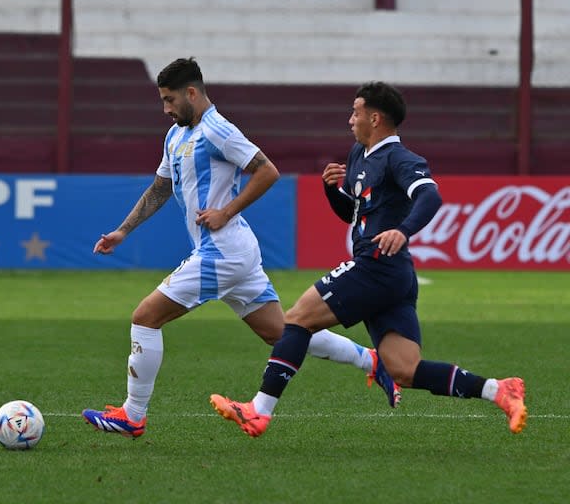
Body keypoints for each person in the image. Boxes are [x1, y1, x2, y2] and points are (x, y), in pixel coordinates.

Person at [81, 59, 400, 439]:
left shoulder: (219, 130)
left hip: (222, 252)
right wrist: (122, 231)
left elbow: (267, 170)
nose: (166, 109)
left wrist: (225, 211)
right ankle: (373, 360)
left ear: (192, 93)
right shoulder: (175, 136)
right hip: (234, 252)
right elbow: (160, 188)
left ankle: (133, 416)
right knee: (280, 333)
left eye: (170, 100)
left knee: (145, 317)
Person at [210, 81, 527, 437]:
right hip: (392, 275)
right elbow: (353, 214)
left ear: (375, 118)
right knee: (404, 369)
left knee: (297, 319)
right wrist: (333, 190)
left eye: (356, 112)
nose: (350, 120)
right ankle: (499, 390)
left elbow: (430, 196)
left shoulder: (400, 158)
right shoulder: (360, 155)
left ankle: (259, 410)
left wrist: (403, 230)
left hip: (378, 266)